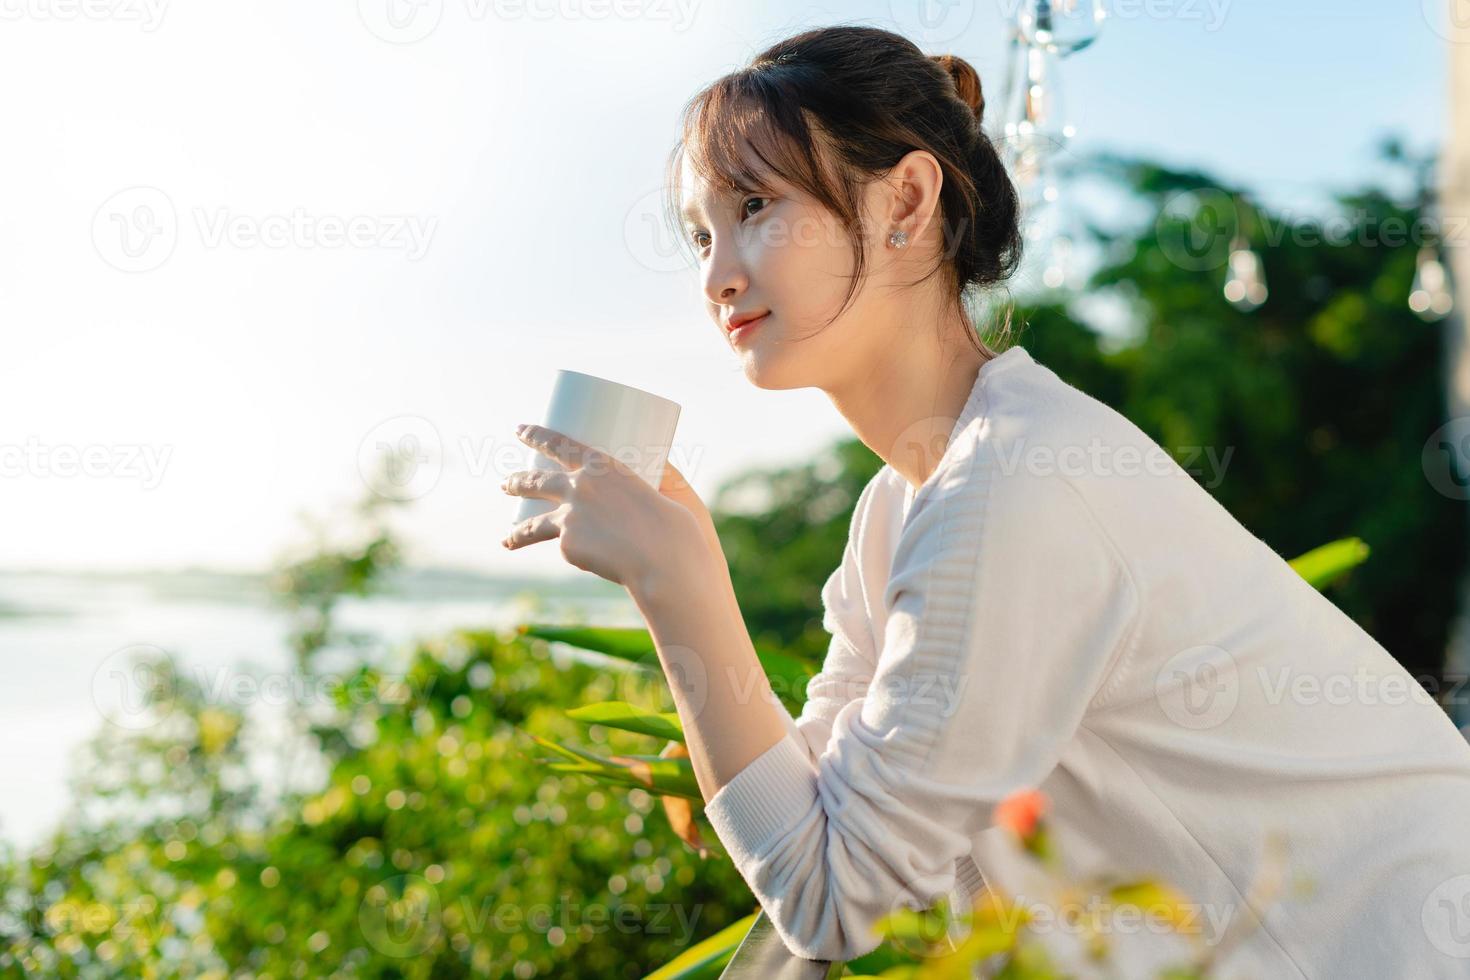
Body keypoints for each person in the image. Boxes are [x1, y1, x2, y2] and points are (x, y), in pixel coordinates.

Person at [501, 23, 1470, 978]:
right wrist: (715, 745)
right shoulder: (904, 504)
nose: (716, 274)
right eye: (701, 231)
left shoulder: (1013, 481)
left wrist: (678, 581)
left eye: (757, 204)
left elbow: (834, 897)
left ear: (907, 200)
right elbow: (834, 794)